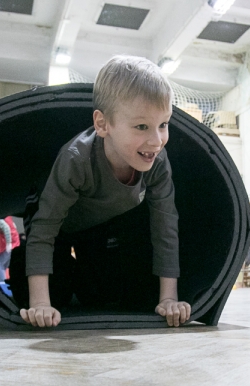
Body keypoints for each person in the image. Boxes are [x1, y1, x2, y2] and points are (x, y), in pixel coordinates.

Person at [14, 55, 190, 328]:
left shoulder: (157, 162)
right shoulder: (77, 159)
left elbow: (165, 226)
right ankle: (26, 262)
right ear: (102, 124)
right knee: (50, 295)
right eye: (141, 126)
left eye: (163, 124)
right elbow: (45, 227)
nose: (156, 141)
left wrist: (169, 298)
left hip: (95, 226)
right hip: (53, 223)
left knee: (102, 294)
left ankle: (79, 272)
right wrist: (40, 303)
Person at [0, 217, 19, 282]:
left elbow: (6, 228)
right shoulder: (5, 217)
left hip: (10, 243)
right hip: (8, 242)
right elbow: (14, 226)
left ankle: (2, 282)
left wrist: (8, 242)